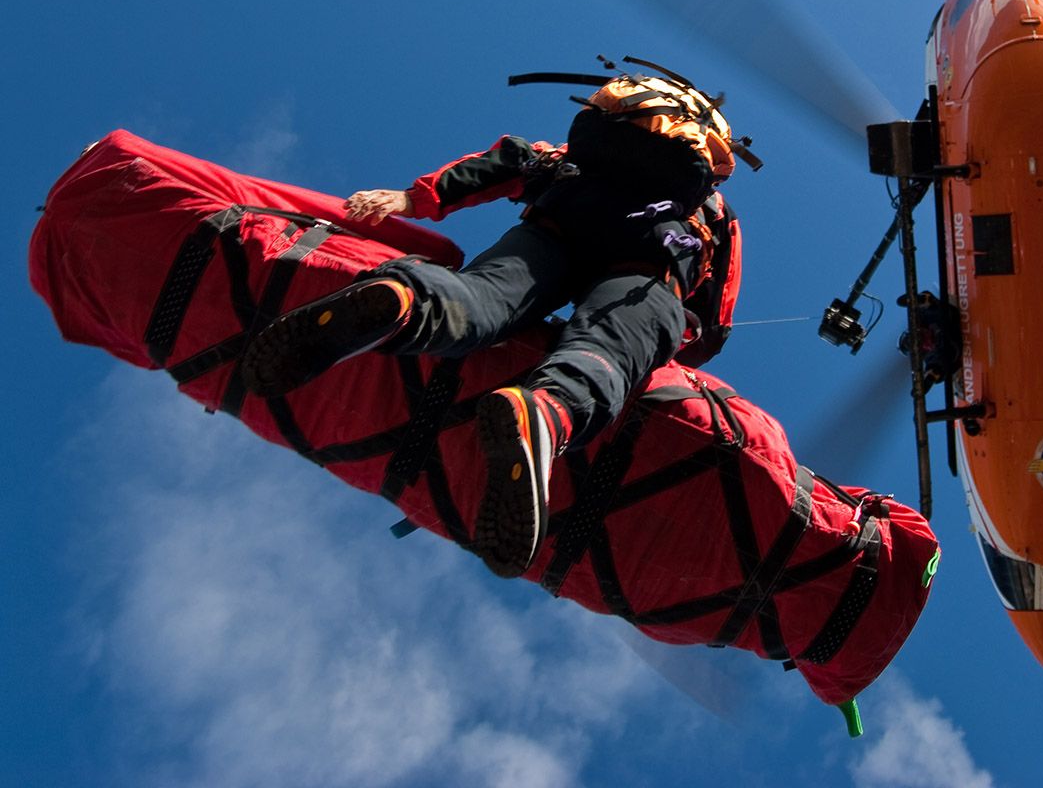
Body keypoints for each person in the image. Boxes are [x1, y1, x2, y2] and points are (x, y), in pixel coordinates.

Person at [241, 60, 753, 578]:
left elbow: (514, 160)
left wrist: (411, 199)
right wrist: (677, 341)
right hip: (653, 258)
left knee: (482, 297)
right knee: (611, 348)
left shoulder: (583, 152)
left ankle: (404, 301)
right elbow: (713, 316)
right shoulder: (712, 208)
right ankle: (548, 412)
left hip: (561, 218)